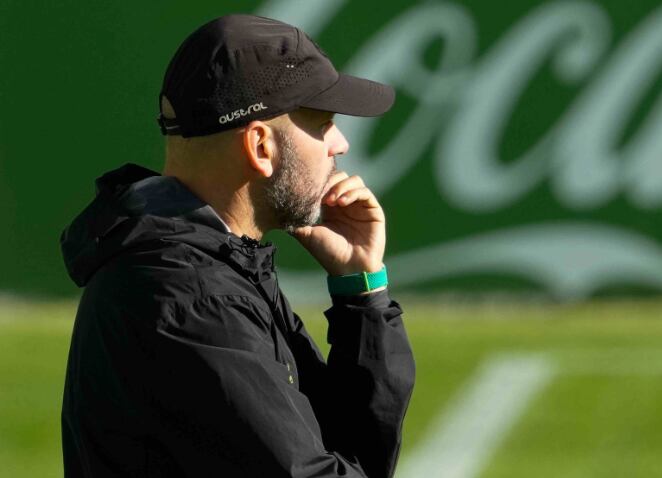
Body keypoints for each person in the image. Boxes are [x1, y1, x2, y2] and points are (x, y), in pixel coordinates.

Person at [59, 14, 415, 477]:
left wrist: (360, 288)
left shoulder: (215, 264)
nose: (340, 144)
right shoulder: (193, 297)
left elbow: (353, 453)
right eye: (324, 123)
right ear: (260, 146)